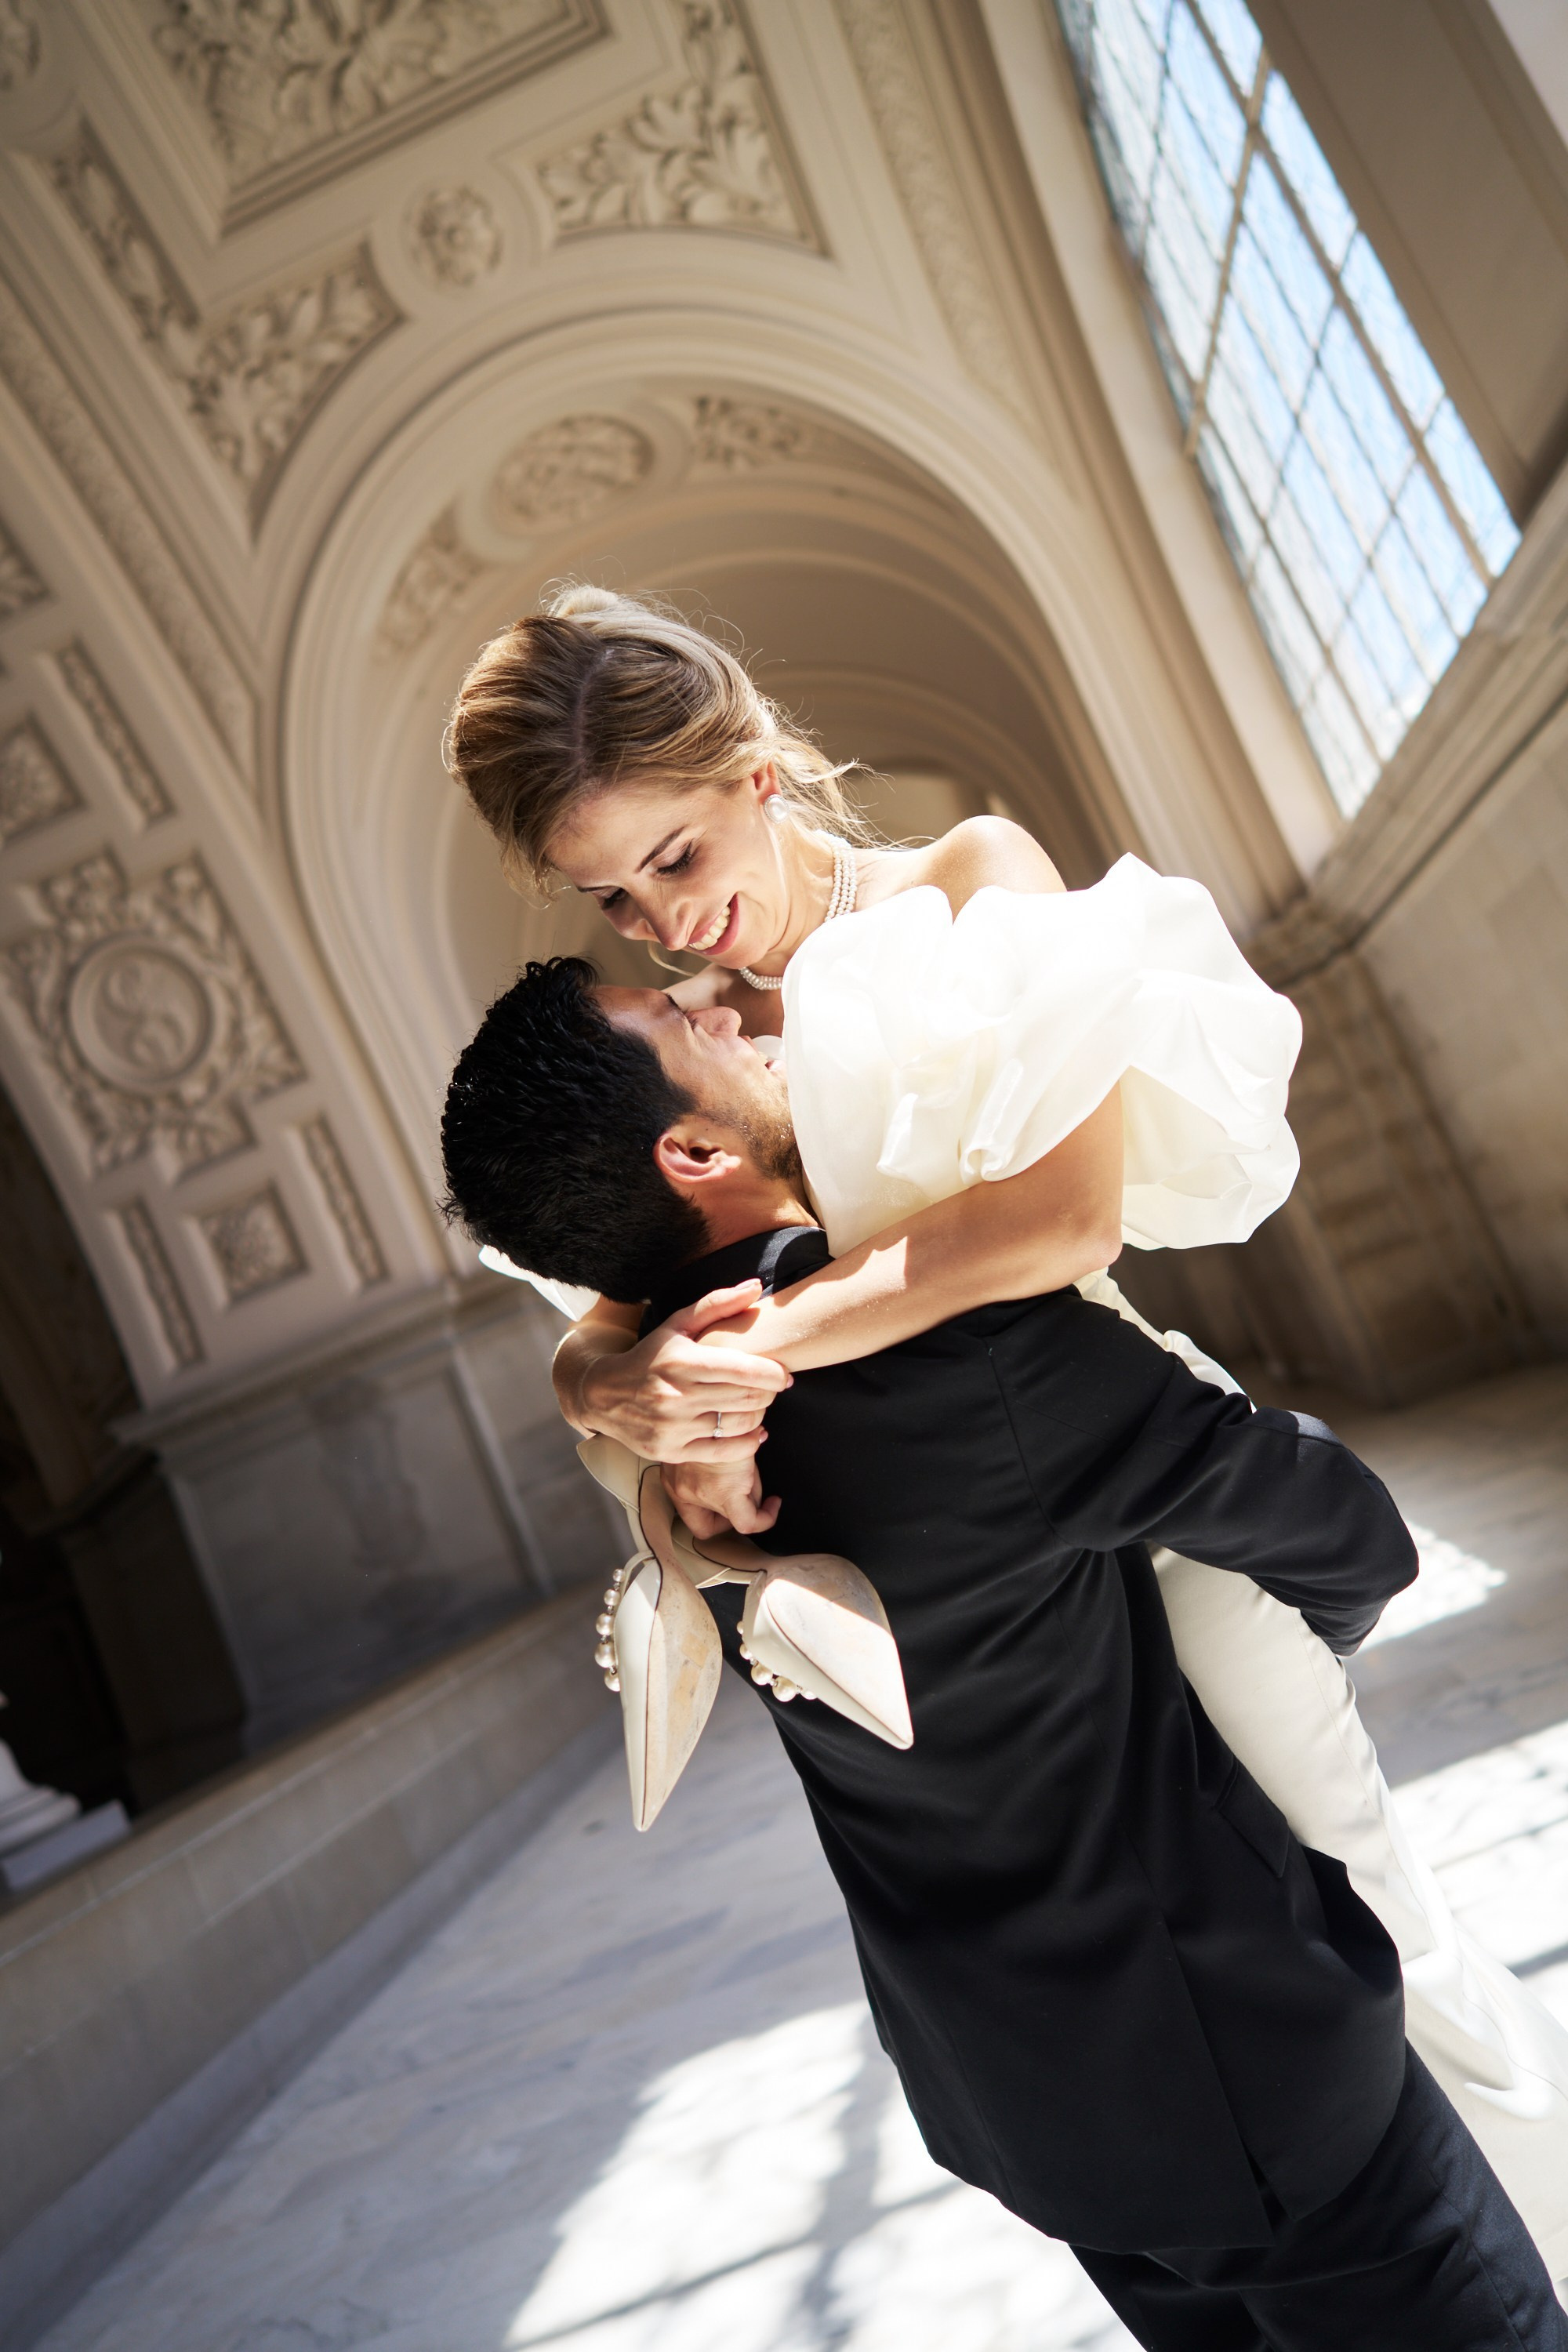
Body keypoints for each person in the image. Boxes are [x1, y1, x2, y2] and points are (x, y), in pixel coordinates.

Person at [443, 585, 1568, 2263]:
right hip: (1005, 1626)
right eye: (613, 896)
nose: (667, 927)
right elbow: (617, 1297)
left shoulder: (968, 884)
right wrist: (601, 1384)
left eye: (674, 860)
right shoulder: (712, 1045)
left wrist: (779, 1342)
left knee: (1368, 1923)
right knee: (1199, 1990)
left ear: (751, 763)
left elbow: (1057, 1222)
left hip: (1147, 1500)